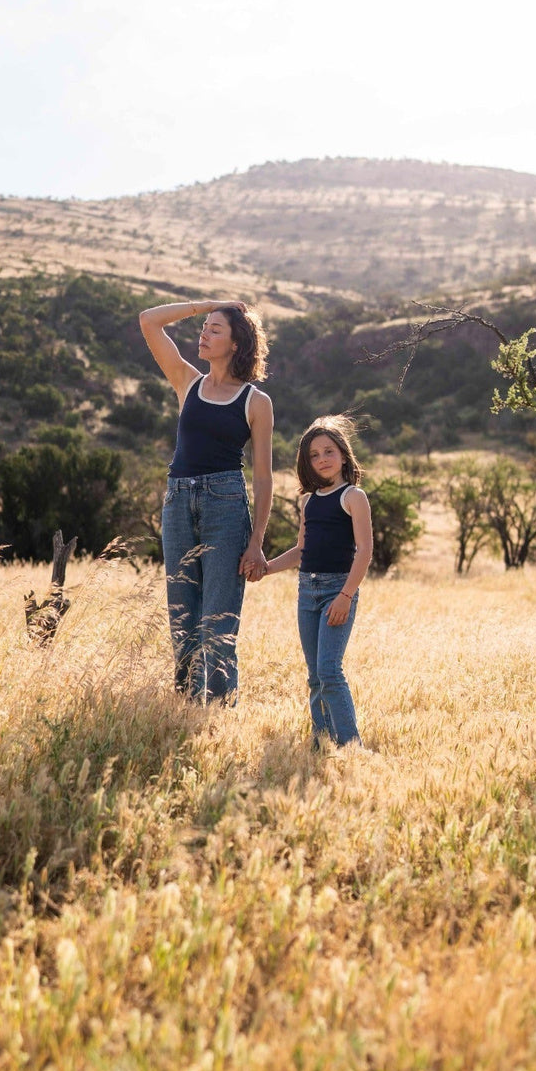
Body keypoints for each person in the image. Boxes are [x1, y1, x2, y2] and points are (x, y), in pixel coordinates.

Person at [138, 299, 273, 704]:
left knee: (218, 618)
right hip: (178, 501)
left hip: (225, 505)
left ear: (236, 344)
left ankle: (217, 713)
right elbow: (149, 321)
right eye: (204, 327)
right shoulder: (187, 382)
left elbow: (263, 477)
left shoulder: (256, 402)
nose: (204, 334)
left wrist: (257, 541)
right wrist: (210, 306)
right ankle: (185, 706)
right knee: (182, 616)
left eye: (216, 329)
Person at [263, 416, 372, 748]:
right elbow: (301, 550)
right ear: (306, 462)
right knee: (314, 675)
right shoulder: (308, 501)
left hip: (337, 590)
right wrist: (266, 568)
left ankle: (350, 746)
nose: (322, 459)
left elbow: (365, 551)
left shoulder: (353, 497)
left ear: (343, 455)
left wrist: (345, 596)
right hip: (306, 591)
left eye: (328, 451)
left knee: (329, 671)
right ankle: (321, 741)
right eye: (314, 455)